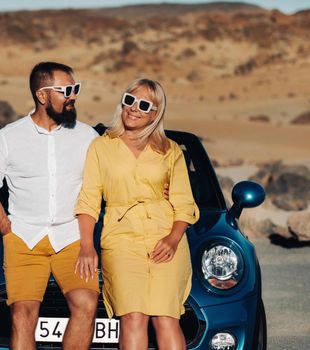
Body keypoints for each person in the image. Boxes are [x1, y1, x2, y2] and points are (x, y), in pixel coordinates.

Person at [0, 62, 100, 350]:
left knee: (86, 304)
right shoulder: (8, 138)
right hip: (24, 239)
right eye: (66, 90)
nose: (73, 96)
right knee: (22, 315)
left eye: (75, 89)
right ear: (42, 95)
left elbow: (110, 178)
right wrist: (8, 230)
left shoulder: (87, 136)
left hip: (72, 238)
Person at [74, 78, 200, 349]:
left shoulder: (170, 150)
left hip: (166, 237)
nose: (134, 108)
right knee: (132, 317)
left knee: (166, 318)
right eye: (129, 99)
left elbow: (184, 202)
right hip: (121, 239)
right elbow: (89, 200)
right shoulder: (101, 146)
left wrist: (173, 238)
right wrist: (86, 245)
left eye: (144, 105)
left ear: (155, 114)